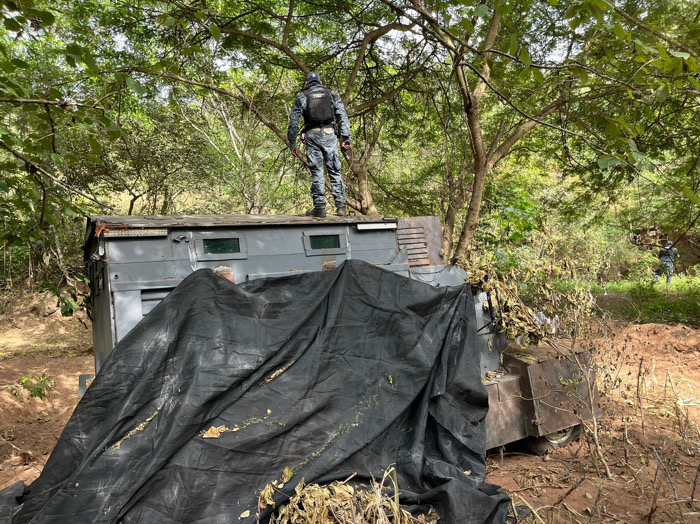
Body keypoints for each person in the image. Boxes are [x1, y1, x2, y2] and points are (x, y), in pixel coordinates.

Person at [287, 71, 351, 218]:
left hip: (312, 135)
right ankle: (341, 207)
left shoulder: (302, 96)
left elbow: (294, 122)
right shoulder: (332, 94)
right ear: (320, 82)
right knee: (334, 169)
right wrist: (345, 138)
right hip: (330, 134)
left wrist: (292, 144)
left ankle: (320, 208)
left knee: (317, 171)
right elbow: (342, 116)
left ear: (306, 83)